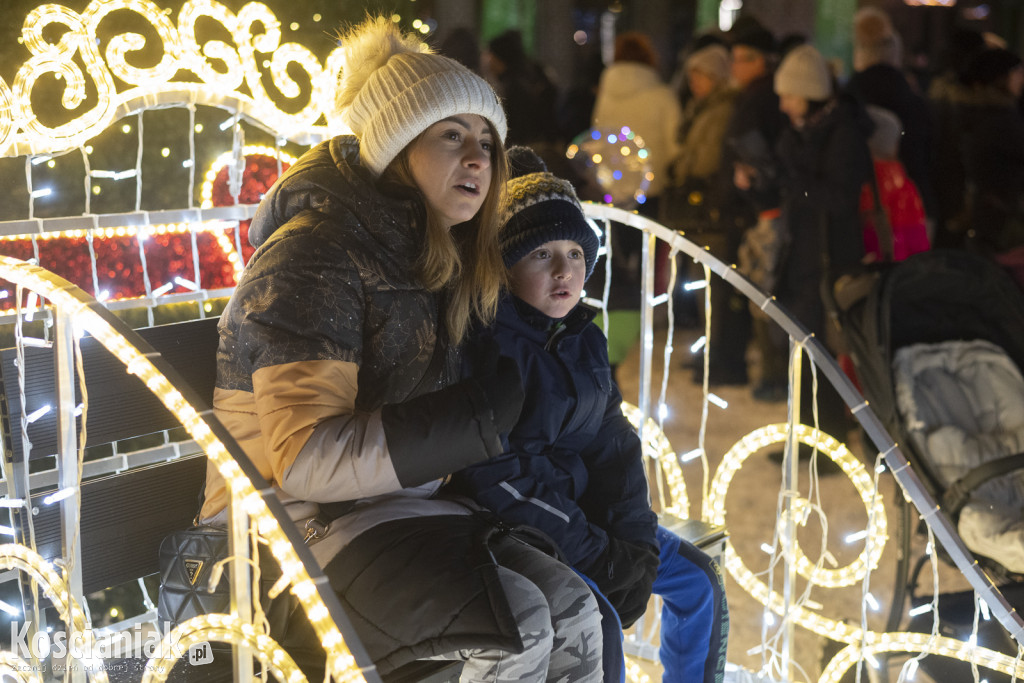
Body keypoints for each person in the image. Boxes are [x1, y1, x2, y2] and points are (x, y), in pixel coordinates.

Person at [199, 17, 604, 682]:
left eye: (486, 143)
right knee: (518, 628)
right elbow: (303, 460)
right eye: (452, 136)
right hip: (288, 527)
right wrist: (472, 419)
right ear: (395, 146)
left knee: (576, 611)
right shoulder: (315, 252)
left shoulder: (442, 258)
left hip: (400, 508)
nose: (478, 158)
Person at [450, 146, 730, 683]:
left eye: (576, 254)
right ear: (504, 266)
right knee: (595, 619)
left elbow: (614, 439)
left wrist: (636, 536)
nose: (563, 271)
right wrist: (597, 553)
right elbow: (498, 475)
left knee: (698, 579)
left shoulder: (582, 337)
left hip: (594, 522)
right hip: (529, 532)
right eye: (540, 255)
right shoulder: (490, 350)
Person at [770, 43, 873, 445]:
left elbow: (839, 199)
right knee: (804, 351)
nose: (783, 105)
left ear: (811, 94)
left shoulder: (843, 135)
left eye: (789, 96)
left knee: (820, 355)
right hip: (802, 255)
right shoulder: (801, 133)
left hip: (831, 258)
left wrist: (792, 181)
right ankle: (810, 437)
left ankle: (825, 439)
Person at [859, 105, 930, 262]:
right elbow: (918, 243)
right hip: (899, 274)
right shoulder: (904, 184)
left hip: (866, 272)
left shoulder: (861, 183)